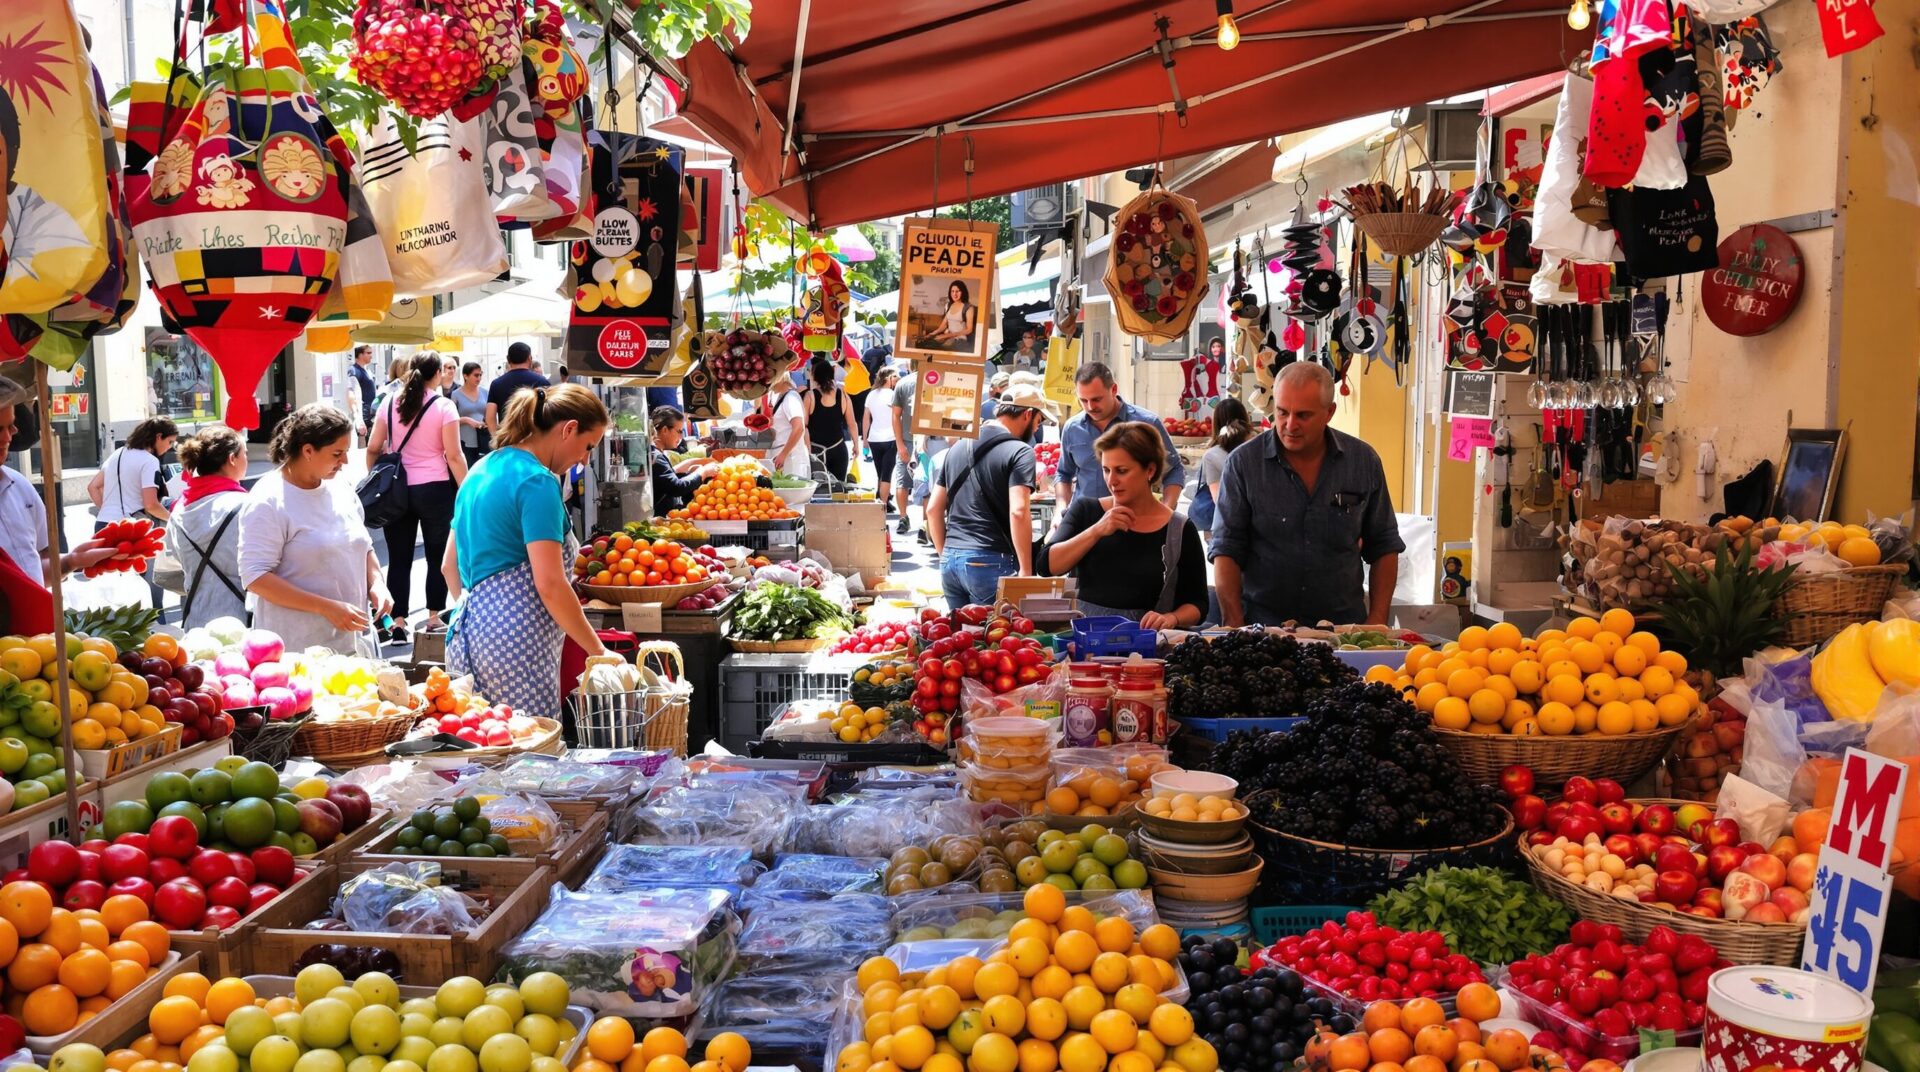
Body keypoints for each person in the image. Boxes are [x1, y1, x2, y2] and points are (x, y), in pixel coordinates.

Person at [442, 385, 614, 716]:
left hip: (466, 633)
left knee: (483, 749)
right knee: (530, 756)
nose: (584, 459)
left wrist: (484, 618)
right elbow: (550, 584)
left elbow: (449, 565)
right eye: (587, 446)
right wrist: (599, 651)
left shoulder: (481, 470)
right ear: (569, 429)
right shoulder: (537, 481)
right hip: (517, 645)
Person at [1211, 362, 1404, 627]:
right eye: (1281, 413)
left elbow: (1384, 545)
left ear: (1329, 412)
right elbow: (1226, 549)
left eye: (1303, 415)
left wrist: (1377, 621)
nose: (1290, 424)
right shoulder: (1243, 464)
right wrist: (1234, 625)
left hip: (1343, 631)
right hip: (1263, 631)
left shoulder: (1363, 462)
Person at [238, 405, 389, 655]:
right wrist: (326, 607)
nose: (345, 461)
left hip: (355, 642)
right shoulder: (268, 500)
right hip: (299, 651)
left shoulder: (340, 487)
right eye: (337, 453)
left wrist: (377, 583)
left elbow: (363, 545)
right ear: (308, 450)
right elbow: (255, 578)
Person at [1044, 422, 1207, 629]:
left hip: (1148, 645)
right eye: (1106, 470)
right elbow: (1047, 566)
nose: (1111, 480)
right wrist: (1096, 531)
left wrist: (1172, 618)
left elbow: (1198, 603)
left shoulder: (1179, 529)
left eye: (1121, 471)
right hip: (1086, 641)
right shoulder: (1086, 510)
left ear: (1150, 470)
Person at [365, 351, 468, 643]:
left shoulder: (388, 402)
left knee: (398, 558)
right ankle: (434, 616)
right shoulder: (444, 406)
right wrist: (468, 489)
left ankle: (398, 621)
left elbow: (374, 446)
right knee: (437, 555)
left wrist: (376, 476)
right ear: (436, 374)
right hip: (434, 488)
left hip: (397, 489)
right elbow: (453, 455)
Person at [927, 381, 1052, 609]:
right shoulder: (1021, 451)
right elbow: (1019, 511)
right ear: (1027, 414)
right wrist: (1026, 572)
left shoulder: (957, 447)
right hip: (990, 561)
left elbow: (933, 509)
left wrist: (945, 554)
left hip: (951, 562)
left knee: (960, 639)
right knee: (992, 639)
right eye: (1038, 421)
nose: (1037, 429)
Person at [0, 403, 118, 588]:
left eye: (11, 426)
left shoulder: (20, 486)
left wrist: (72, 561)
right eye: (0, 428)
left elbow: (35, 572)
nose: (8, 437)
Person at [1056, 363, 1184, 512]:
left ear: (1114, 390)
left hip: (1134, 520)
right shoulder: (1072, 428)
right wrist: (1060, 510)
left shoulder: (1147, 423)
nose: (1090, 407)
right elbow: (1063, 473)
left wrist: (1166, 509)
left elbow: (1174, 469)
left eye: (1097, 399)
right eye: (1083, 401)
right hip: (1085, 520)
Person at [166, 426, 251, 628]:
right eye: (244, 454)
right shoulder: (247, 505)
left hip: (196, 621)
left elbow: (176, 560)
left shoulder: (179, 509)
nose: (246, 460)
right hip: (242, 624)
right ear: (232, 459)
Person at [90, 417, 178, 529]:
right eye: (170, 442)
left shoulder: (117, 453)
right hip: (130, 528)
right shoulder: (149, 461)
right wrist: (173, 521)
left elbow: (93, 487)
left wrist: (108, 510)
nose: (169, 447)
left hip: (103, 523)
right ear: (159, 437)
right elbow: (151, 505)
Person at [1193, 396, 1254, 543]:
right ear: (1244, 417)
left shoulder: (1212, 455)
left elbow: (1220, 499)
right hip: (1257, 523)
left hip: (1226, 531)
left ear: (1216, 423)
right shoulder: (1258, 445)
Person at [648, 405, 717, 515]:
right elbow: (677, 487)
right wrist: (702, 472)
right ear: (665, 429)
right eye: (679, 431)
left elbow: (664, 480)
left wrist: (690, 470)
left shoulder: (655, 453)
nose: (681, 437)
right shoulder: (656, 457)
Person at [803, 355, 859, 484]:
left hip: (816, 453)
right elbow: (852, 423)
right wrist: (856, 444)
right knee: (838, 492)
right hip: (839, 450)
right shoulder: (843, 395)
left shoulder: (810, 397)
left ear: (814, 376)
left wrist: (808, 451)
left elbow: (804, 427)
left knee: (817, 493)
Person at [485, 341, 550, 437]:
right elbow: (550, 413)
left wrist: (497, 439)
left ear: (508, 359)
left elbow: (490, 417)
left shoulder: (496, 384)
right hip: (535, 439)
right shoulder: (542, 382)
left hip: (508, 438)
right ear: (530, 358)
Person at [864, 367, 901, 512]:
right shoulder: (893, 394)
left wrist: (865, 438)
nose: (897, 379)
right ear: (888, 379)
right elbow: (898, 417)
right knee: (886, 474)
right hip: (890, 438)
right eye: (895, 377)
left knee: (880, 472)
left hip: (874, 438)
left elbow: (866, 417)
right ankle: (882, 507)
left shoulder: (871, 395)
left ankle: (882, 500)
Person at [765, 373, 811, 481]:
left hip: (791, 460)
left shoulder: (791, 398)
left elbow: (799, 427)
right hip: (785, 458)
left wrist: (783, 454)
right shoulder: (783, 397)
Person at [891, 371, 917, 533]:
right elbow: (895, 415)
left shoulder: (904, 382)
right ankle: (907, 518)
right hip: (912, 440)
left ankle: (906, 518)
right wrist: (900, 444)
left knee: (904, 481)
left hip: (913, 440)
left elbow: (895, 415)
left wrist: (900, 444)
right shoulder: (905, 383)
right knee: (903, 481)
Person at [452, 361, 489, 467]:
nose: (479, 378)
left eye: (480, 375)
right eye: (476, 375)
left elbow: (490, 415)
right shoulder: (456, 394)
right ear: (465, 376)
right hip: (464, 441)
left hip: (483, 440)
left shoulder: (485, 392)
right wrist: (467, 420)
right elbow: (451, 420)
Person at [923, 281, 976, 351]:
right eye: (952, 291)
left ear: (963, 292)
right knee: (926, 345)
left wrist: (947, 335)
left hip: (960, 340)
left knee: (940, 349)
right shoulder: (949, 305)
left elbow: (969, 330)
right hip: (949, 338)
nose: (955, 294)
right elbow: (943, 326)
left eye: (957, 291)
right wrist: (931, 334)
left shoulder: (968, 307)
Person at [347, 345, 377, 444]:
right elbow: (351, 394)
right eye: (368, 353)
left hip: (371, 413)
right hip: (364, 415)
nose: (371, 356)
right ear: (360, 354)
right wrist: (358, 418)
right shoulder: (354, 370)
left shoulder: (367, 371)